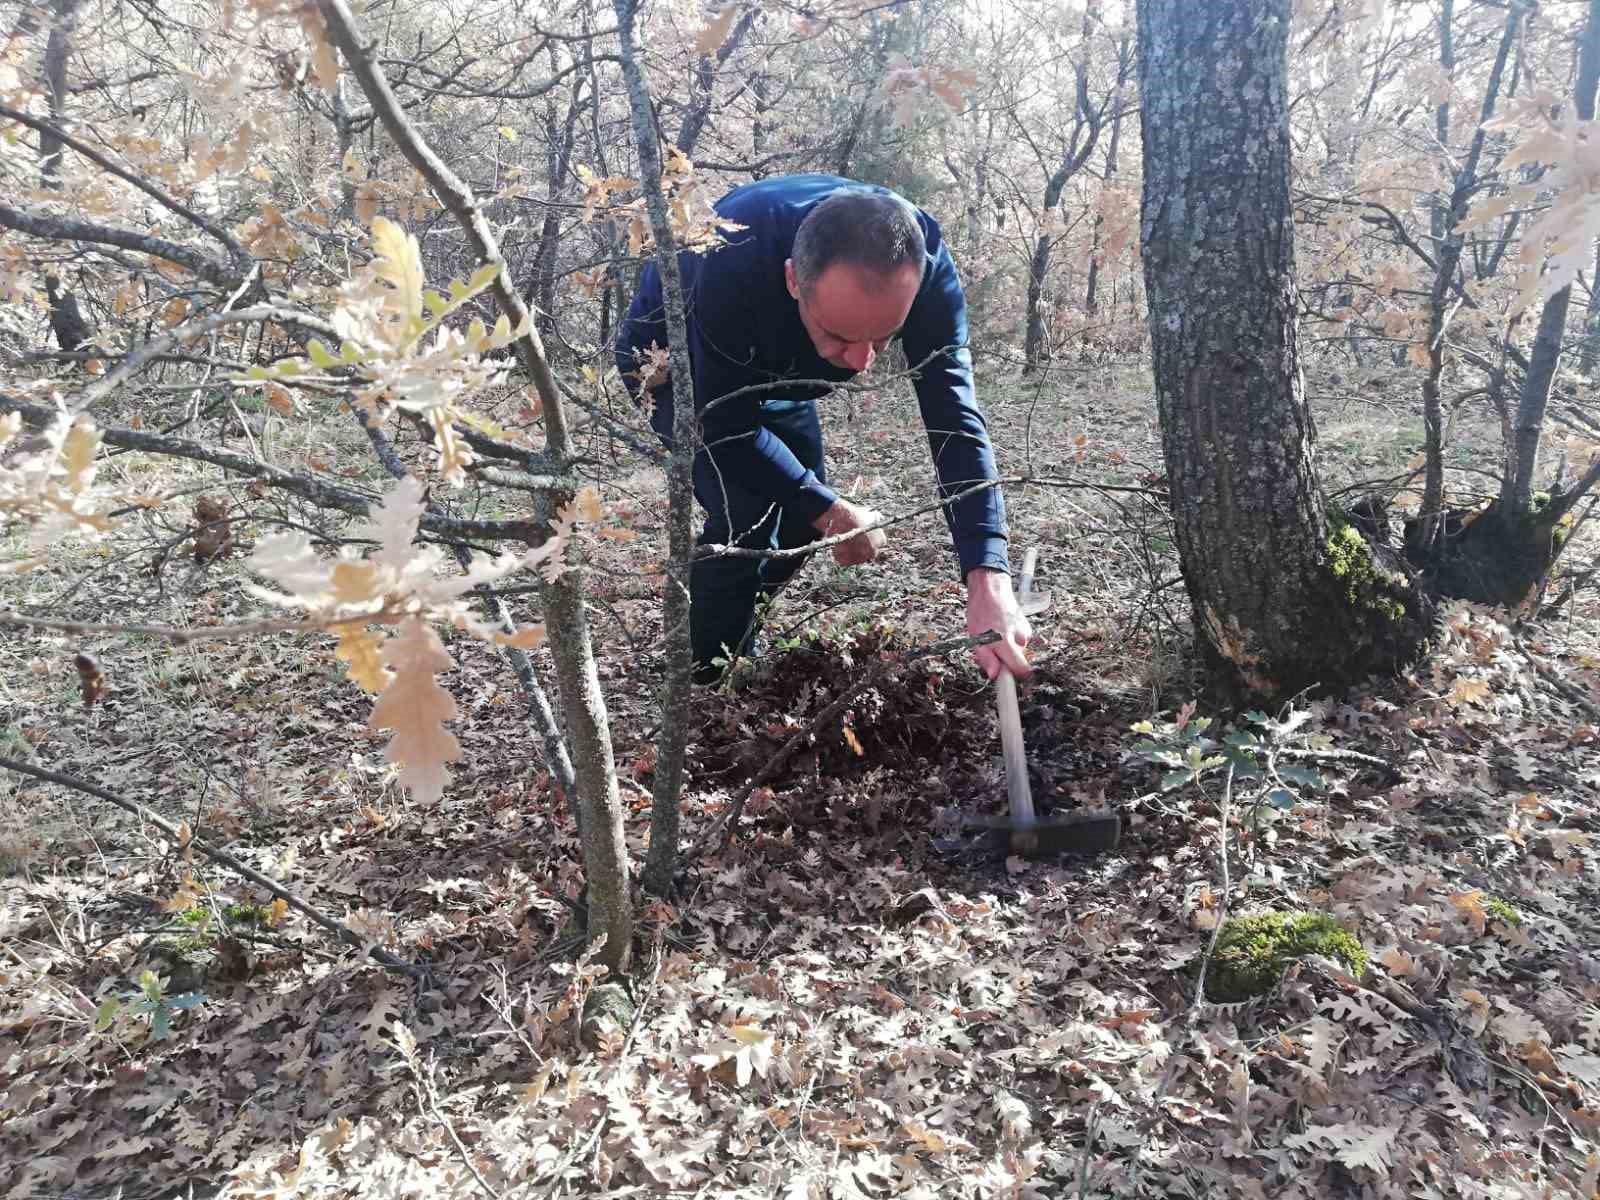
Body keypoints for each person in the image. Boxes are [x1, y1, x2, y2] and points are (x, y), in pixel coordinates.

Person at [615, 173, 1031, 685]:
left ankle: (734, 632)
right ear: (794, 279)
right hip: (675, 365)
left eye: (885, 338)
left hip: (782, 369)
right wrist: (831, 509)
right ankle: (704, 676)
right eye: (841, 335)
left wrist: (987, 575)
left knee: (798, 521)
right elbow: (721, 424)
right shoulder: (730, 255)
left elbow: (954, 418)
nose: (861, 363)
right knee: (746, 514)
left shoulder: (925, 266)